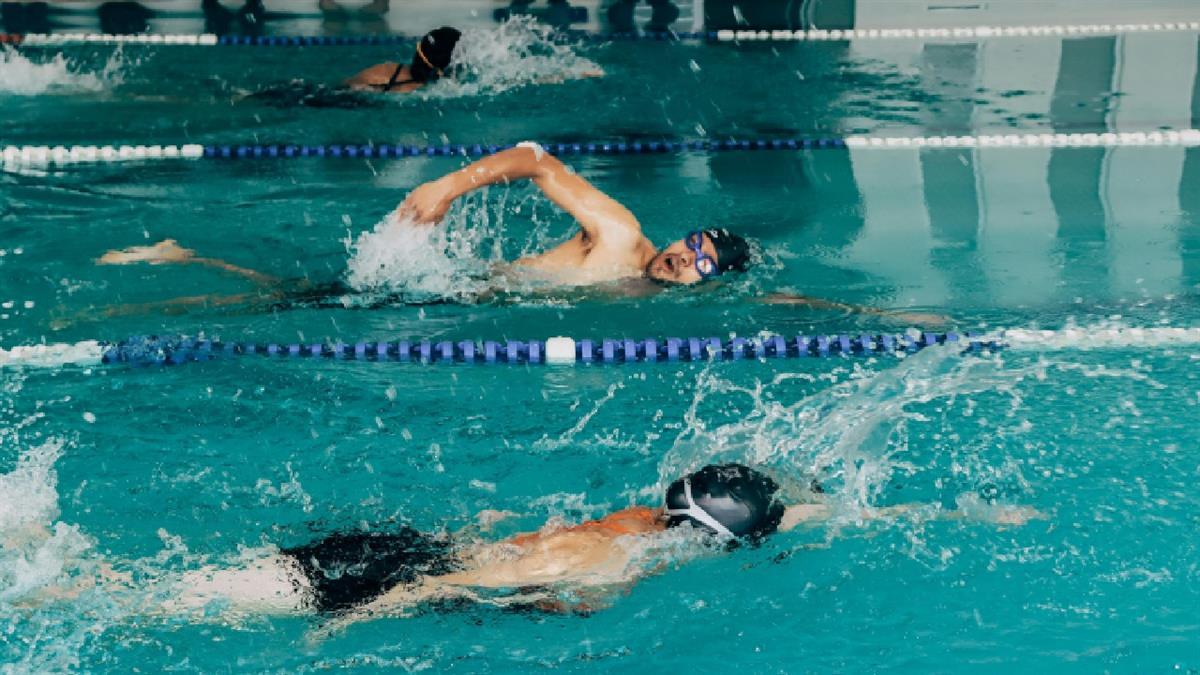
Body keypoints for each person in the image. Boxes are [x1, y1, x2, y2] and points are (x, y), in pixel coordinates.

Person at [64, 463, 1039, 635]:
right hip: (372, 574)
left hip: (396, 542)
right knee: (128, 604)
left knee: (156, 586)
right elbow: (447, 585)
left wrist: (941, 515)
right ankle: (30, 571)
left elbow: (804, 514)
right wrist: (353, 627)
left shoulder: (639, 525)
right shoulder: (604, 565)